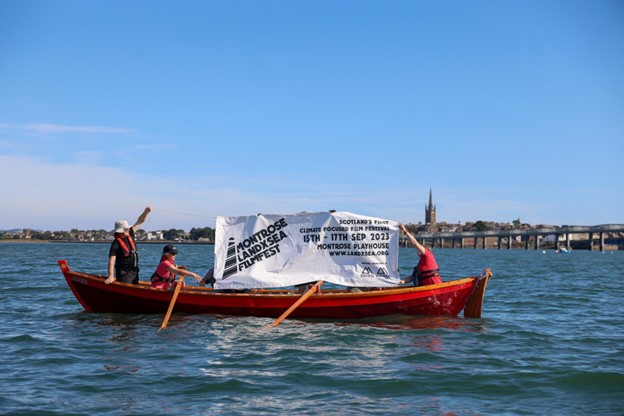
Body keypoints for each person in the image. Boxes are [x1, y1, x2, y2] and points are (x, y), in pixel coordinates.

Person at [105, 206, 152, 285]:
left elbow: (139, 221)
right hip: (124, 274)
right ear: (120, 231)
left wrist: (146, 212)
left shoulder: (130, 233)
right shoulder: (115, 243)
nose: (128, 229)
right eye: (125, 229)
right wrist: (110, 276)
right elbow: (111, 260)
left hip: (135, 272)